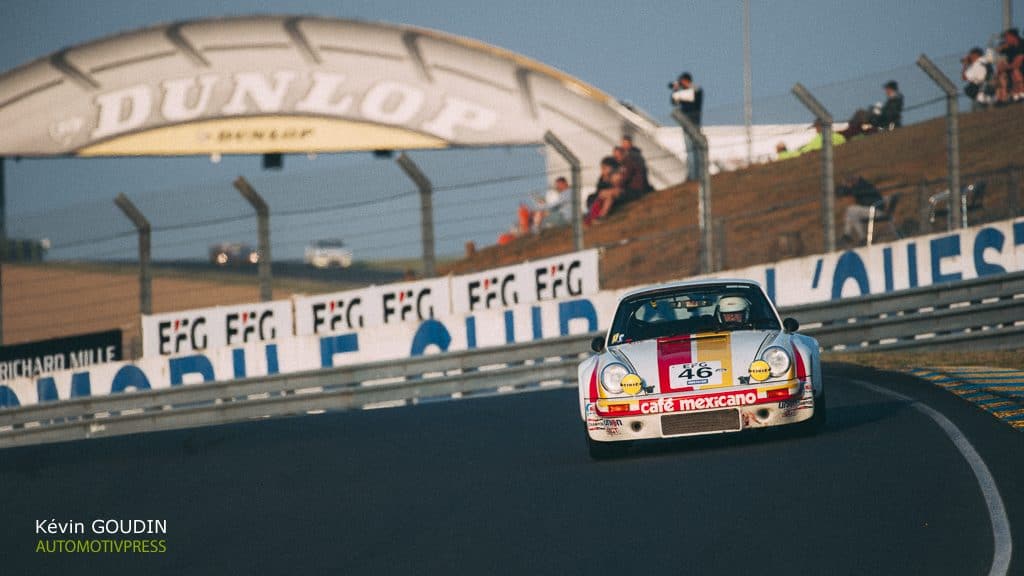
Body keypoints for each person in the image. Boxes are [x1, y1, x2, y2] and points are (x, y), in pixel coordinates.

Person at [670, 72, 704, 181]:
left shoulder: (695, 90)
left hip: (693, 123)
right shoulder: (683, 93)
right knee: (690, 150)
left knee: (695, 150)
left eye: (682, 81)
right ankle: (692, 174)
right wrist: (675, 90)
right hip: (686, 124)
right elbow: (673, 101)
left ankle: (696, 175)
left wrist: (679, 92)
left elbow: (693, 94)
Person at [837, 174, 883, 245]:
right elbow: (841, 192)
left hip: (877, 211)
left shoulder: (863, 186)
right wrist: (845, 186)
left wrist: (845, 186)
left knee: (851, 210)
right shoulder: (861, 185)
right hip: (871, 210)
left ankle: (857, 236)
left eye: (851, 182)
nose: (850, 184)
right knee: (851, 214)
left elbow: (847, 191)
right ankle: (855, 236)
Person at [585, 156, 622, 225]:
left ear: (611, 167)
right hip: (602, 195)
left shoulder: (616, 175)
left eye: (604, 168)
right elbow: (599, 188)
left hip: (613, 194)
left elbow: (618, 188)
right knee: (593, 198)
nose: (602, 170)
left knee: (608, 196)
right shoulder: (602, 177)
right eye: (602, 168)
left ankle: (601, 216)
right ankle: (595, 216)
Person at [996, 28, 1024, 104]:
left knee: (1015, 71)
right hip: (1013, 69)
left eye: (1007, 38)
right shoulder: (1010, 47)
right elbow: (998, 51)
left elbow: (1018, 63)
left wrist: (1006, 67)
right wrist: (1002, 48)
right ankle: (1002, 98)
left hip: (1020, 69)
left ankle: (1021, 94)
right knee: (1001, 74)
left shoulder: (1021, 44)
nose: (1006, 40)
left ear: (1012, 37)